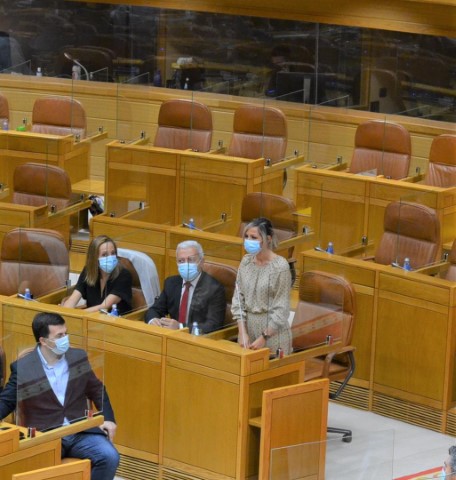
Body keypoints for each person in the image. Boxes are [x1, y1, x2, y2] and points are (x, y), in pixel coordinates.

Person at [0, 312, 120, 480]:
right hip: (46, 436)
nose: (66, 339)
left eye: (66, 333)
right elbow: (6, 401)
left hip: (80, 432)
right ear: (43, 341)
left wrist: (108, 418)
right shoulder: (23, 368)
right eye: (60, 336)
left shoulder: (78, 357)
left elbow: (97, 389)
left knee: (110, 456)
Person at [231, 217, 292, 355]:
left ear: (268, 239)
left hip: (273, 334)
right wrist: (242, 332)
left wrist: (264, 337)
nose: (248, 241)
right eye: (246, 236)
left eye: (253, 237)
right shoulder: (246, 261)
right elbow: (238, 299)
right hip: (248, 331)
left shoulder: (280, 266)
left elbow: (282, 308)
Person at [144, 240, 226, 333]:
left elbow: (214, 325)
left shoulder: (214, 288)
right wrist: (152, 320)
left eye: (190, 260)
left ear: (202, 262)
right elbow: (155, 310)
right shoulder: (171, 283)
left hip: (198, 341)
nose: (186, 265)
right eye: (181, 261)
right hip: (172, 337)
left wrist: (180, 327)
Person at [61, 235, 132, 315]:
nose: (110, 258)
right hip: (90, 320)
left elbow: (104, 306)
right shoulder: (88, 271)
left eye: (113, 253)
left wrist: (77, 315)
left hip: (116, 323)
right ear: (94, 258)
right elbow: (73, 298)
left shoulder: (123, 275)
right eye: (105, 255)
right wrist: (65, 313)